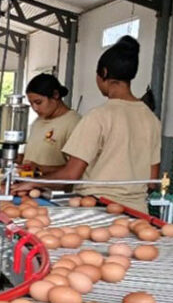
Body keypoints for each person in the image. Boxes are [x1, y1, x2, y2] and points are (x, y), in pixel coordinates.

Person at [14, 36, 160, 212]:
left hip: (99, 210)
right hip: (136, 212)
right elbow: (152, 181)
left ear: (103, 73)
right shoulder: (151, 119)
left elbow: (71, 174)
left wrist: (34, 182)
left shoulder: (98, 116)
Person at [21, 73, 80, 176]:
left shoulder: (74, 122)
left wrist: (40, 169)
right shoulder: (37, 121)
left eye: (38, 102)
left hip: (52, 185)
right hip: (29, 183)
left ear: (55, 95)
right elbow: (34, 157)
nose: (35, 108)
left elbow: (77, 168)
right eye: (31, 104)